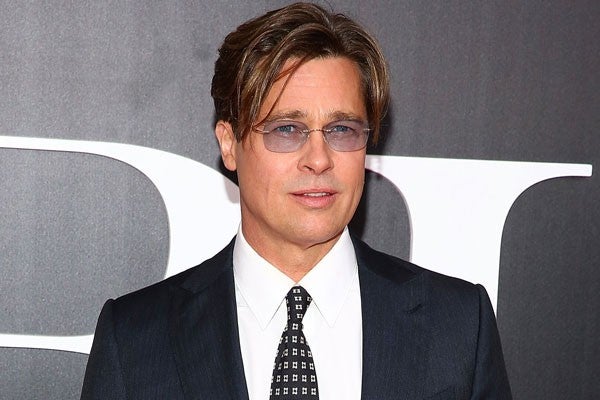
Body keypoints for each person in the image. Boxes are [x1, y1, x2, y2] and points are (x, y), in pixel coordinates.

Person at [81, 2, 512, 399]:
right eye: (287, 129)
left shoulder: (457, 326)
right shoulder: (135, 339)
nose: (319, 159)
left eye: (342, 130)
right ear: (229, 144)